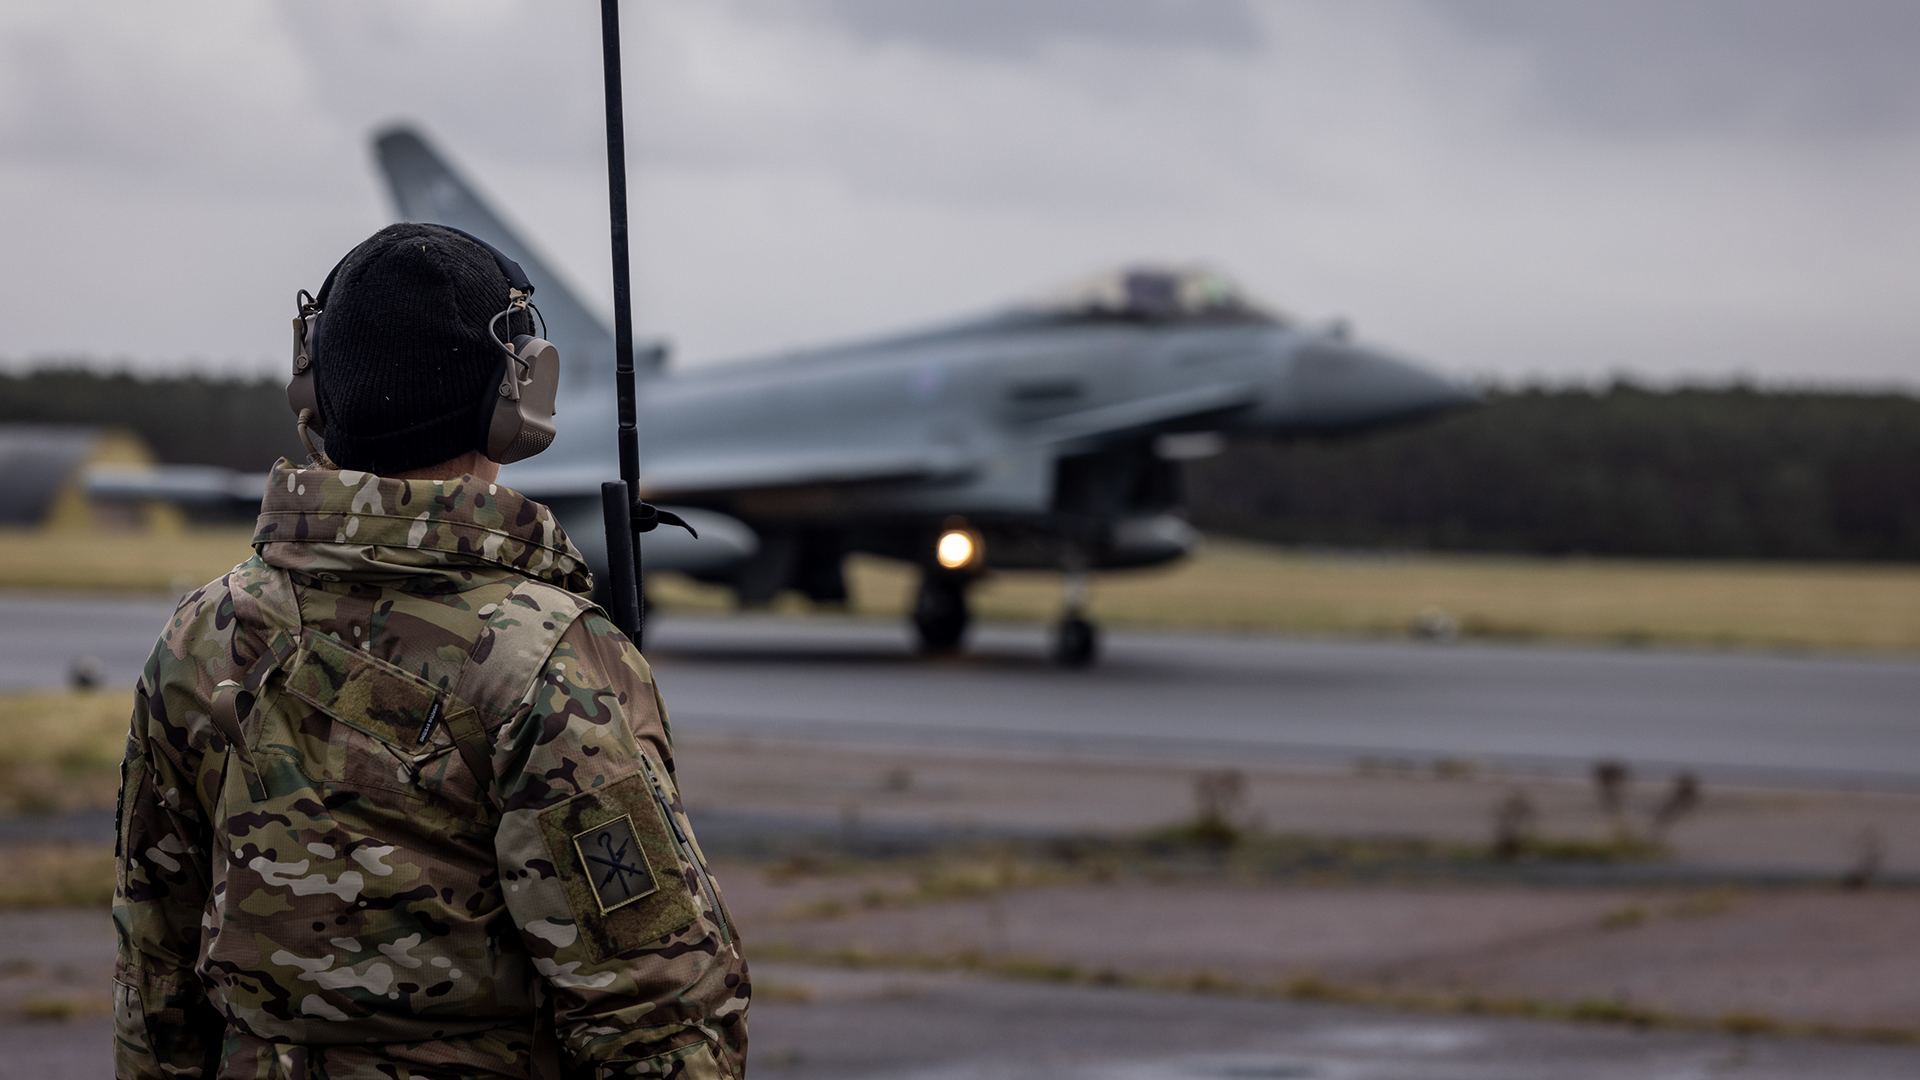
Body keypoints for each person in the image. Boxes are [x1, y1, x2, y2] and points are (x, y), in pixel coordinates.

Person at [112, 223, 748, 1080]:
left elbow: (154, 978)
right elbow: (657, 1010)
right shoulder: (546, 656)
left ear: (315, 388)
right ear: (516, 401)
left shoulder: (201, 635)